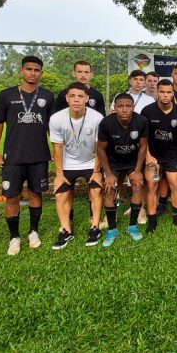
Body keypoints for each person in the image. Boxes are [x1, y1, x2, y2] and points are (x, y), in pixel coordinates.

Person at [0, 55, 55, 256]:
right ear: (21, 70)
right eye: (29, 69)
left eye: (37, 70)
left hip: (38, 156)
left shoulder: (47, 96)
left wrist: (55, 149)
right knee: (12, 197)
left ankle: (33, 231)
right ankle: (14, 237)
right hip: (13, 157)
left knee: (36, 193)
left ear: (41, 73)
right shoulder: (6, 95)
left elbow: (50, 125)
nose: (33, 73)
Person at [49, 82, 105, 249]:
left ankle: (95, 227)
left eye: (80, 96)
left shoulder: (97, 118)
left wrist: (96, 171)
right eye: (72, 96)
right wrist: (59, 174)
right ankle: (66, 230)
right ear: (66, 98)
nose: (76, 100)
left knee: (96, 189)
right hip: (68, 162)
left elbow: (99, 147)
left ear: (87, 99)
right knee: (60, 193)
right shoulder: (56, 119)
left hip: (91, 161)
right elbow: (57, 148)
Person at [96, 93, 147, 246]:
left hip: (132, 161)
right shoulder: (106, 122)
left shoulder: (141, 121)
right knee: (110, 189)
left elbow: (143, 146)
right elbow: (100, 149)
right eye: (120, 106)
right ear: (115, 107)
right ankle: (112, 229)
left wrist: (137, 170)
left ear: (133, 107)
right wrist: (108, 173)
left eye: (128, 106)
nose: (124, 109)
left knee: (137, 185)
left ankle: (133, 226)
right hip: (113, 162)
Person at [141, 79, 177, 232]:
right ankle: (152, 221)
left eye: (169, 92)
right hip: (153, 156)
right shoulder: (147, 111)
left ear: (173, 93)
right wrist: (148, 156)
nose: (165, 95)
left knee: (175, 185)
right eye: (162, 92)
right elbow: (143, 138)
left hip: (173, 156)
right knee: (151, 186)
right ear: (157, 92)